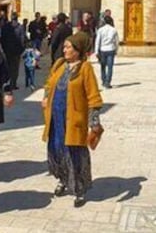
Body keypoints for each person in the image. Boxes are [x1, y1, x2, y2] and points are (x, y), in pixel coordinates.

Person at [42, 35, 103, 208]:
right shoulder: (60, 64)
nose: (65, 50)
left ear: (78, 50)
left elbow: (94, 97)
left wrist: (94, 121)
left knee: (75, 153)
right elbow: (49, 83)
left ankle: (80, 188)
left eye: (69, 47)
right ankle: (62, 179)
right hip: (56, 118)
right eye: (65, 46)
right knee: (57, 149)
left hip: (74, 119)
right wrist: (46, 97)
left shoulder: (85, 69)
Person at [1, 13, 24, 91]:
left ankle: (7, 83)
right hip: (16, 51)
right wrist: (21, 50)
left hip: (7, 50)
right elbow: (22, 40)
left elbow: (2, 38)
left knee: (8, 66)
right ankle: (13, 84)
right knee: (15, 68)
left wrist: (4, 48)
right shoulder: (20, 27)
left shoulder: (6, 26)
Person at [95, 15, 119, 89]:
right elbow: (116, 42)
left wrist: (96, 51)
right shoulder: (114, 30)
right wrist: (116, 50)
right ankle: (108, 82)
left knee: (103, 66)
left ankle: (103, 80)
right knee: (110, 67)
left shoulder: (100, 30)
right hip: (111, 49)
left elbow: (98, 41)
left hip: (103, 49)